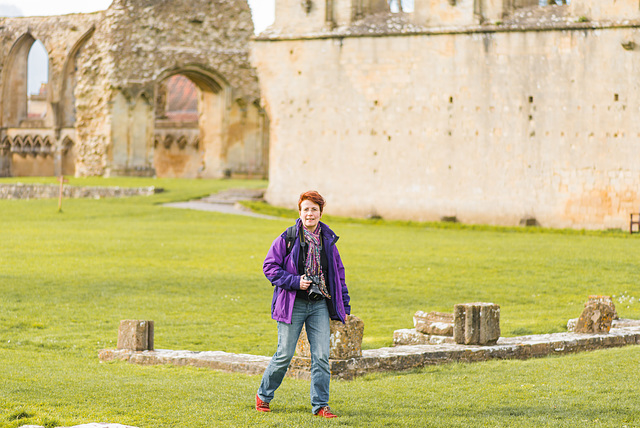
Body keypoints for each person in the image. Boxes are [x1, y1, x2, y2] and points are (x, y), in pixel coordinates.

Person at [256, 190, 351, 418]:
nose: (310, 213)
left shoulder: (328, 241)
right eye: (306, 209)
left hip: (319, 304)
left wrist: (344, 308)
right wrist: (295, 281)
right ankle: (263, 395)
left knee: (321, 356)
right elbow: (269, 267)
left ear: (320, 213)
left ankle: (320, 406)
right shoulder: (287, 237)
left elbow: (338, 276)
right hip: (292, 303)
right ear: (300, 212)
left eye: (314, 209)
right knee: (284, 354)